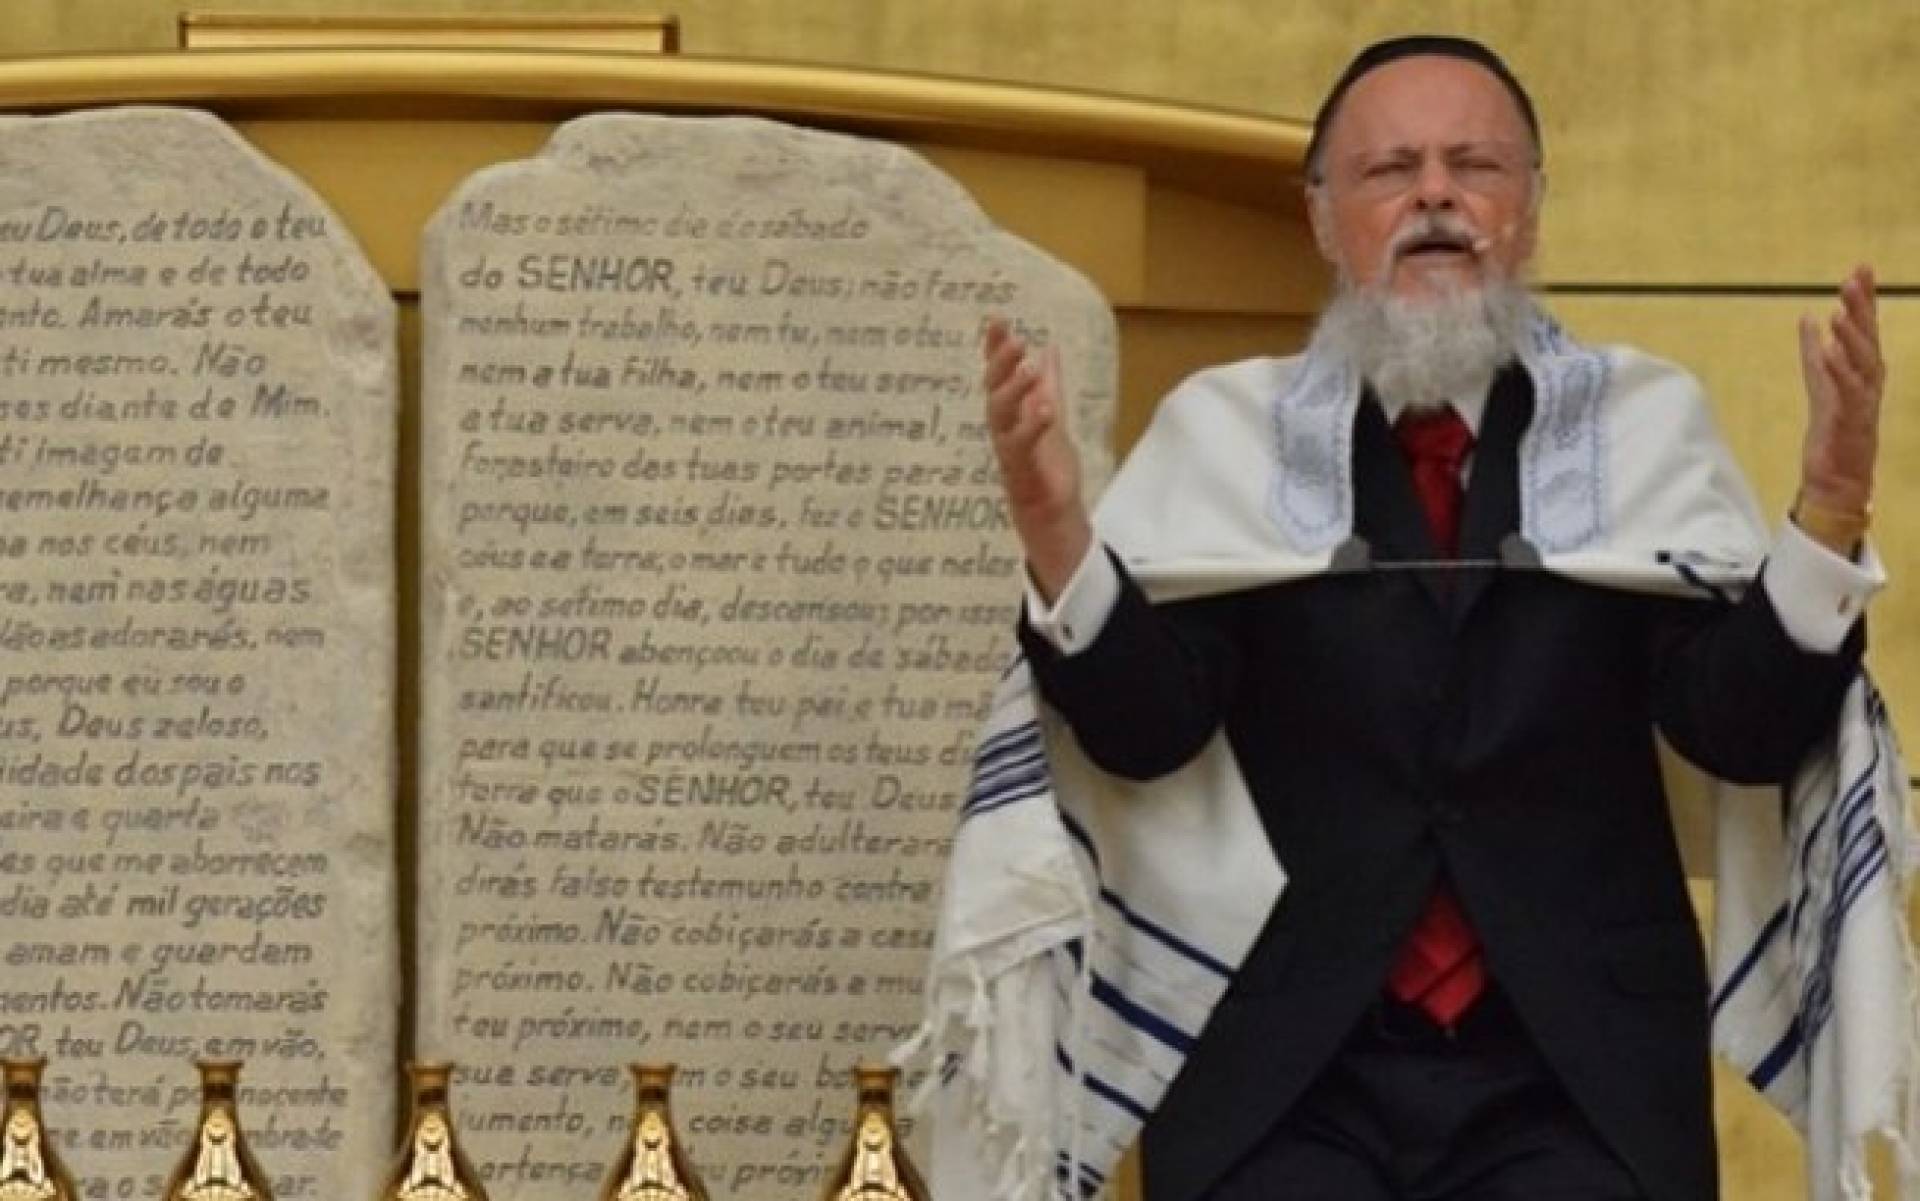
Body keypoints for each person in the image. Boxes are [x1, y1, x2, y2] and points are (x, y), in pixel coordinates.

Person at [957, 34, 1896, 1201]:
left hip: (1575, 1074)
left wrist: (1831, 507)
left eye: (1475, 166)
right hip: (1287, 1069)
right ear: (1320, 219)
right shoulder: (1224, 435)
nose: (1436, 196)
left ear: (1532, 209)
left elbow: (1738, 731)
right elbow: (1146, 731)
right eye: (1391, 169)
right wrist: (1054, 523)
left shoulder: (1642, 427)